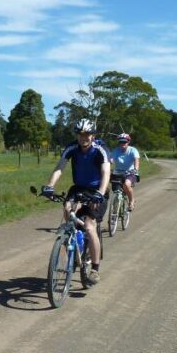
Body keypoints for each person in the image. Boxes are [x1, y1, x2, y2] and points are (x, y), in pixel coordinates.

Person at [42, 118, 110, 284]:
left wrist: (100, 193)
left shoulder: (100, 149)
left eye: (87, 134)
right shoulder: (72, 148)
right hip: (78, 188)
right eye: (80, 134)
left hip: (97, 190)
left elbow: (106, 172)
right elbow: (60, 167)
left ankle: (95, 269)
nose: (83, 137)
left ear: (93, 135)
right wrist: (50, 186)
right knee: (67, 209)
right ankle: (73, 239)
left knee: (89, 226)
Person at [110, 133, 141, 210]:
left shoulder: (133, 150)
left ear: (128, 142)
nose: (122, 143)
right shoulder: (116, 150)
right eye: (120, 142)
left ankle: (131, 201)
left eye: (124, 142)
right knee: (115, 189)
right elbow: (111, 160)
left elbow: (136, 160)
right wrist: (107, 165)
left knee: (126, 185)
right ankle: (115, 208)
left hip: (130, 172)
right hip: (118, 173)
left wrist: (135, 169)